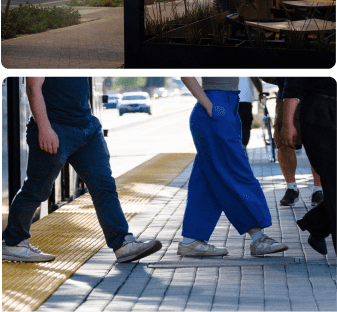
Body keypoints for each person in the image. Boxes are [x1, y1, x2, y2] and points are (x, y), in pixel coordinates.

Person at [2, 76, 161, 263]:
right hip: (55, 127)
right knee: (37, 188)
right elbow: (32, 86)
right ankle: (14, 243)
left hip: (87, 126)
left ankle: (123, 244)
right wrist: (44, 128)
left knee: (104, 186)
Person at [177, 76, 288, 258]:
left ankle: (191, 240)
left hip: (228, 107)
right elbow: (185, 73)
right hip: (215, 108)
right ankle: (258, 237)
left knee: (206, 179)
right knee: (238, 172)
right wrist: (210, 106)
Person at [280, 76, 336, 256]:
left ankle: (315, 224)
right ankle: (315, 224)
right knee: (334, 181)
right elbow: (293, 87)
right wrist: (287, 123)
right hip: (320, 115)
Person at [261, 77, 323, 207]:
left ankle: (319, 190)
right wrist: (286, 76)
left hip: (319, 95)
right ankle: (291, 188)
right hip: (286, 95)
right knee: (284, 142)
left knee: (319, 142)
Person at [238, 76, 262, 154]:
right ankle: (243, 147)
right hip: (244, 99)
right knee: (245, 125)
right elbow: (254, 78)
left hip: (229, 98)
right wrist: (261, 92)